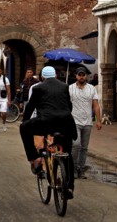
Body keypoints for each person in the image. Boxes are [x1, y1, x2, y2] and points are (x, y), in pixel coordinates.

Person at [19, 66, 77, 199]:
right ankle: (69, 187)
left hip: (47, 123)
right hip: (66, 123)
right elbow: (69, 106)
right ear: (55, 75)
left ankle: (35, 158)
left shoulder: (38, 88)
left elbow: (30, 107)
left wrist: (25, 120)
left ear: (42, 77)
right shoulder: (64, 86)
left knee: (24, 128)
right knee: (67, 153)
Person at [69, 67, 102, 179]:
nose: (81, 76)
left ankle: (81, 169)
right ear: (76, 76)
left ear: (86, 76)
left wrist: (98, 120)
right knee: (76, 145)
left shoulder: (92, 88)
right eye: (79, 74)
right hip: (74, 121)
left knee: (84, 147)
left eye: (83, 74)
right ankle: (72, 169)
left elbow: (96, 105)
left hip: (87, 122)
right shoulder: (70, 88)